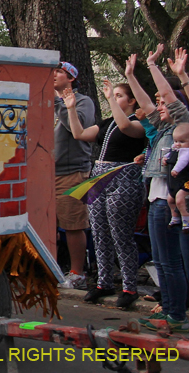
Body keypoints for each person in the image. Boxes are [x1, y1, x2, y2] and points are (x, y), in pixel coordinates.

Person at [62, 79, 147, 308]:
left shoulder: (139, 122)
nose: (114, 98)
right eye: (114, 95)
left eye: (120, 95)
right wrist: (70, 108)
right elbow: (79, 134)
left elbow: (126, 128)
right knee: (99, 233)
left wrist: (110, 98)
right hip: (100, 176)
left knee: (121, 235)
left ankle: (130, 287)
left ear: (131, 101)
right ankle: (104, 282)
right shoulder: (108, 122)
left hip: (123, 177)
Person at [125, 46, 188, 333]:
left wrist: (152, 66)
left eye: (164, 102)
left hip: (168, 202)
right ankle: (172, 312)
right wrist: (129, 75)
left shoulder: (182, 127)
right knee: (161, 262)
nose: (159, 105)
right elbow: (146, 105)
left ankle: (177, 315)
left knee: (171, 263)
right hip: (156, 201)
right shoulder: (163, 130)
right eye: (159, 102)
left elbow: (173, 100)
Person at [53, 61, 95, 290]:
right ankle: (50, 267)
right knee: (46, 225)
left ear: (71, 78)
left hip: (72, 172)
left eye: (58, 71)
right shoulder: (47, 100)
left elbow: (76, 129)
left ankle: (78, 273)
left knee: (73, 224)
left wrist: (60, 103)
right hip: (46, 172)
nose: (53, 75)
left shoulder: (83, 102)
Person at [166, 123, 189, 232]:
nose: (177, 144)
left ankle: (186, 219)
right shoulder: (176, 149)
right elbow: (170, 154)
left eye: (182, 142)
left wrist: (176, 170)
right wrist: (166, 158)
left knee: (180, 199)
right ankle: (174, 216)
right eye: (175, 141)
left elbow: (182, 161)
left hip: (186, 181)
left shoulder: (186, 152)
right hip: (176, 182)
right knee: (170, 199)